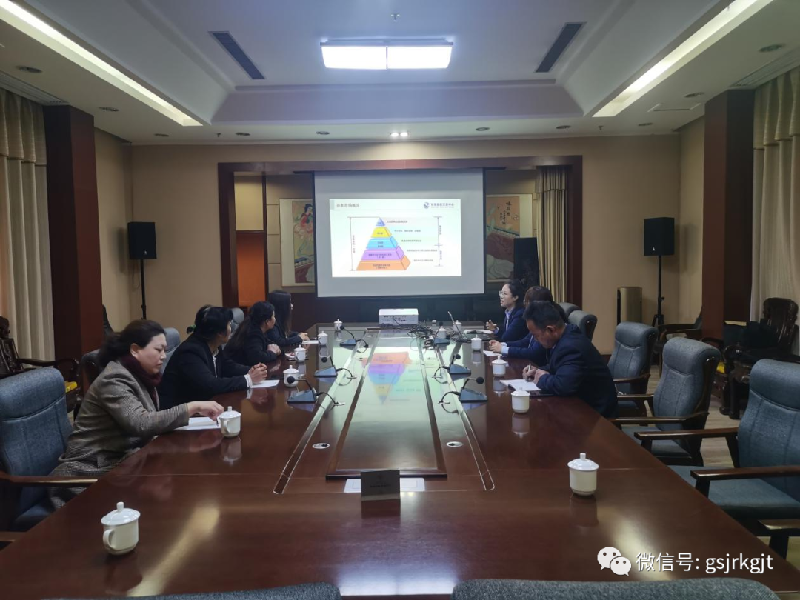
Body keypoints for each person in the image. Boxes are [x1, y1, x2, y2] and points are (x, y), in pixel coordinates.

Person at [48, 320, 224, 509]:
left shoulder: (142, 375)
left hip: (125, 460)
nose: (163, 356)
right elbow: (141, 423)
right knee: (167, 498)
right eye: (158, 350)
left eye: (165, 350)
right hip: (90, 470)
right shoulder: (114, 379)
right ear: (135, 350)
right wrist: (191, 407)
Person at [158, 306, 269, 409]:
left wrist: (251, 370)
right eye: (229, 324)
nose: (231, 328)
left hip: (205, 405)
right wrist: (248, 379)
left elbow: (227, 366)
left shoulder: (212, 344)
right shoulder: (190, 352)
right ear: (219, 332)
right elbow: (210, 385)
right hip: (181, 414)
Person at [521, 301, 617, 418]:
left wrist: (541, 378)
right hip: (579, 407)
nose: (535, 340)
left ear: (551, 330)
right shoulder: (567, 334)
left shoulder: (571, 347)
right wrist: (536, 371)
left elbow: (563, 386)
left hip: (595, 417)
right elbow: (559, 366)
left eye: (536, 335)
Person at [488, 286, 553, 363]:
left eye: (528, 303)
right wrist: (502, 345)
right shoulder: (537, 319)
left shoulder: (546, 323)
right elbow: (525, 341)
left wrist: (503, 349)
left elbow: (533, 352)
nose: (526, 306)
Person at [225, 301, 282, 366]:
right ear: (267, 322)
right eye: (274, 316)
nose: (275, 319)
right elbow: (257, 358)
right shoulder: (253, 334)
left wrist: (275, 349)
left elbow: (270, 345)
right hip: (235, 369)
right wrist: (272, 353)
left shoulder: (256, 328)